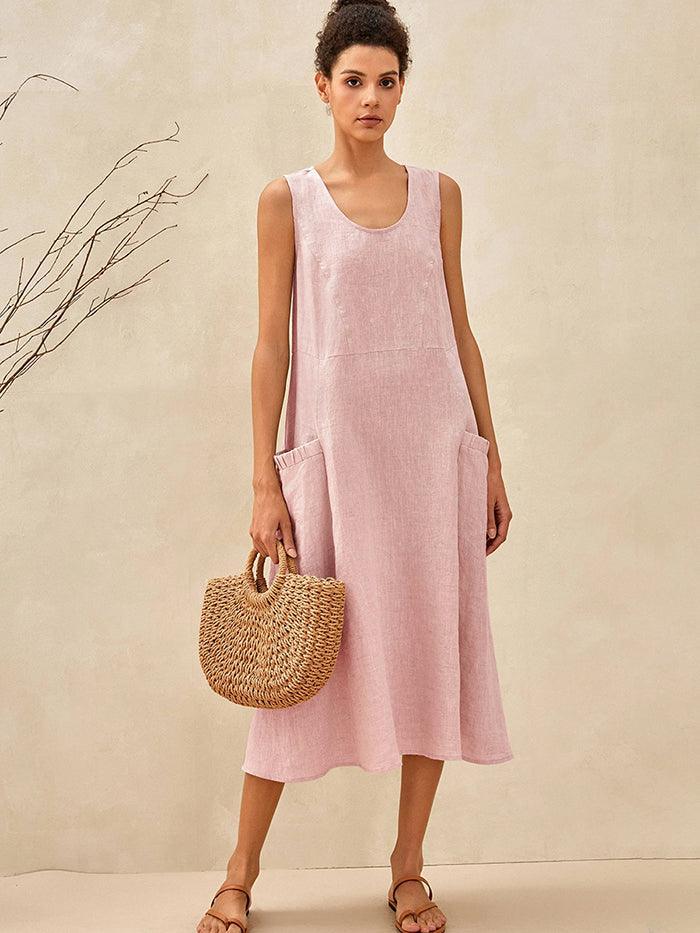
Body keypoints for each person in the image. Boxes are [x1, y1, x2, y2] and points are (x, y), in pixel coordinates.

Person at [197, 1, 514, 931]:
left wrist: (490, 458)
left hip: (433, 461)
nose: (370, 97)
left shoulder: (441, 194)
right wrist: (264, 479)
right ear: (323, 87)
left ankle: (408, 868)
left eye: (386, 81)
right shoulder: (286, 200)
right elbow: (271, 346)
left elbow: (460, 330)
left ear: (403, 89)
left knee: (428, 653)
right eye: (353, 81)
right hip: (335, 466)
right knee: (293, 666)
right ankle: (239, 873)